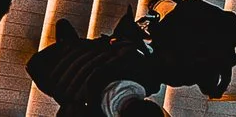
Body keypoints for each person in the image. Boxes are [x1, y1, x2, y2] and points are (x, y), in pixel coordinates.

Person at [27, 18, 165, 117]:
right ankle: (64, 44)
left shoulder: (146, 77)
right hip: (54, 76)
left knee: (80, 47)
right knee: (37, 67)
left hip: (83, 52)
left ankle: (67, 41)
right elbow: (67, 111)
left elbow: (122, 45)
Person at [139, 0, 236, 95]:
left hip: (182, 16)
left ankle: (161, 9)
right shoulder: (186, 74)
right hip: (174, 26)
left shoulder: (233, 33)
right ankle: (156, 14)